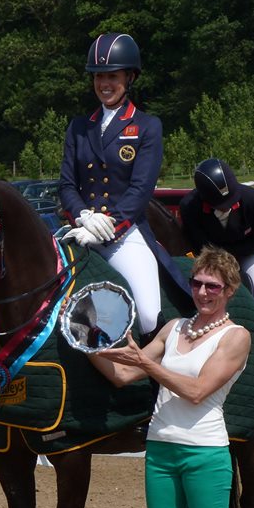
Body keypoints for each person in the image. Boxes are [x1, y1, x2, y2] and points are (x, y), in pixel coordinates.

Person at [91, 247, 251, 508]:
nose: (202, 291)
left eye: (212, 286)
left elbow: (197, 391)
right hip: (160, 451)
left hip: (206, 453)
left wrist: (146, 360)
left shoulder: (235, 336)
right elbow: (124, 375)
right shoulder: (174, 326)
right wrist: (87, 340)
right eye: (197, 283)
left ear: (229, 290)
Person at [59, 32, 191, 338]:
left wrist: (107, 226)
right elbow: (67, 184)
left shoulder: (147, 126)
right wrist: (83, 217)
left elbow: (140, 191)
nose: (104, 83)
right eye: (98, 76)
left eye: (112, 76)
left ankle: (148, 378)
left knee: (146, 314)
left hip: (124, 234)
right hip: (80, 229)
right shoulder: (79, 127)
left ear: (129, 77)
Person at [179, 158, 254, 309]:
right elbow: (201, 245)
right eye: (222, 204)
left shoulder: (252, 198)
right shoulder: (189, 206)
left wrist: (230, 255)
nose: (228, 207)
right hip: (212, 255)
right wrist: (225, 259)